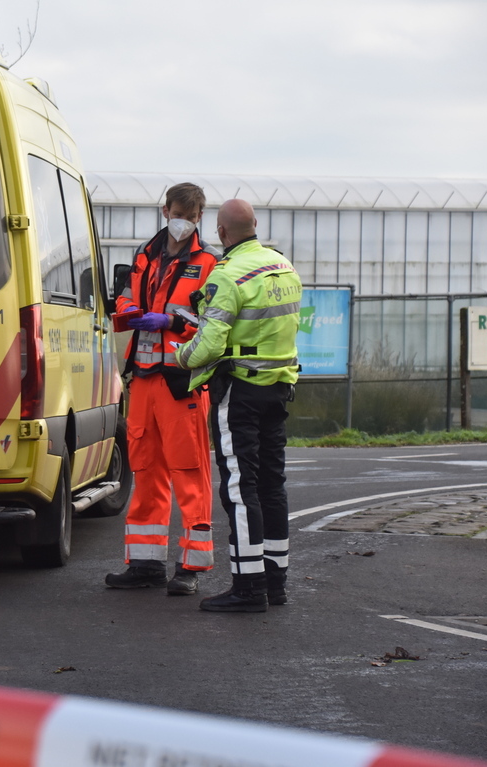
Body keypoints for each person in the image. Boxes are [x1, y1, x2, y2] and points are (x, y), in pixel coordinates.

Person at [175, 198, 302, 612]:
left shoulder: (227, 275)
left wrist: (180, 356)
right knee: (271, 484)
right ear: (256, 225)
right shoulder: (284, 267)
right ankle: (276, 582)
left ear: (222, 233)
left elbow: (210, 342)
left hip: (240, 391)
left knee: (239, 488)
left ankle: (249, 588)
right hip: (278, 387)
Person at [105, 183, 218, 595]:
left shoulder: (209, 264)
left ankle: (190, 567)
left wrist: (169, 323)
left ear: (200, 217)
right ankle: (146, 564)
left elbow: (213, 322)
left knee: (188, 472)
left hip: (181, 382)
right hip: (145, 376)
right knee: (146, 469)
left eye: (191, 214)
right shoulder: (145, 256)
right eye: (179, 211)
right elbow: (123, 299)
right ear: (165, 209)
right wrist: (129, 310)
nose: (184, 220)